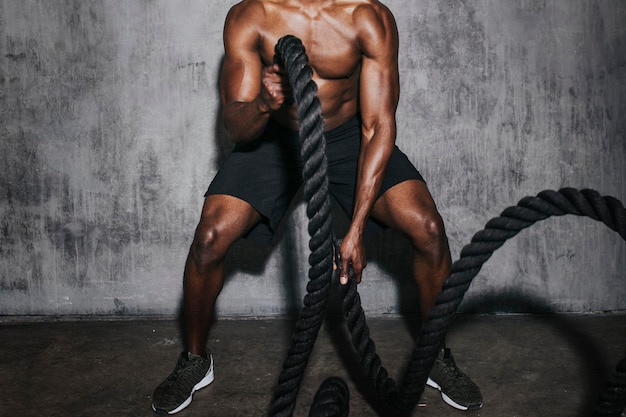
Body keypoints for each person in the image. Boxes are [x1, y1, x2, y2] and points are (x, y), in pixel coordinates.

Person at [151, 0, 483, 414]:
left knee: (429, 230)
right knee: (209, 239)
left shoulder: (367, 16)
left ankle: (436, 356)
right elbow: (234, 123)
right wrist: (264, 105)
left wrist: (357, 227)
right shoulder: (252, 16)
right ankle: (195, 360)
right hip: (274, 138)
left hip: (348, 139)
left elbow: (378, 123)